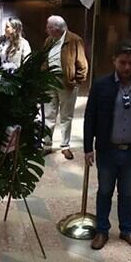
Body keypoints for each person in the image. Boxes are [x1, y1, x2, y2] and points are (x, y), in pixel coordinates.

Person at [84, 40, 131, 252]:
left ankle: (127, 229)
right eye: (123, 62)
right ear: (114, 60)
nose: (127, 67)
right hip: (107, 150)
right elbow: (90, 116)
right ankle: (102, 230)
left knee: (127, 192)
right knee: (104, 191)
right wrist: (88, 147)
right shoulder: (101, 85)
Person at [43, 15, 88, 159]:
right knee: (49, 113)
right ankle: (47, 144)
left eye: (49, 27)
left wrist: (75, 82)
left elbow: (82, 64)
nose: (46, 29)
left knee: (66, 116)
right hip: (50, 82)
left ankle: (65, 145)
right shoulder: (49, 40)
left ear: (57, 29)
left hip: (66, 84)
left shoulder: (74, 40)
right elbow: (43, 59)